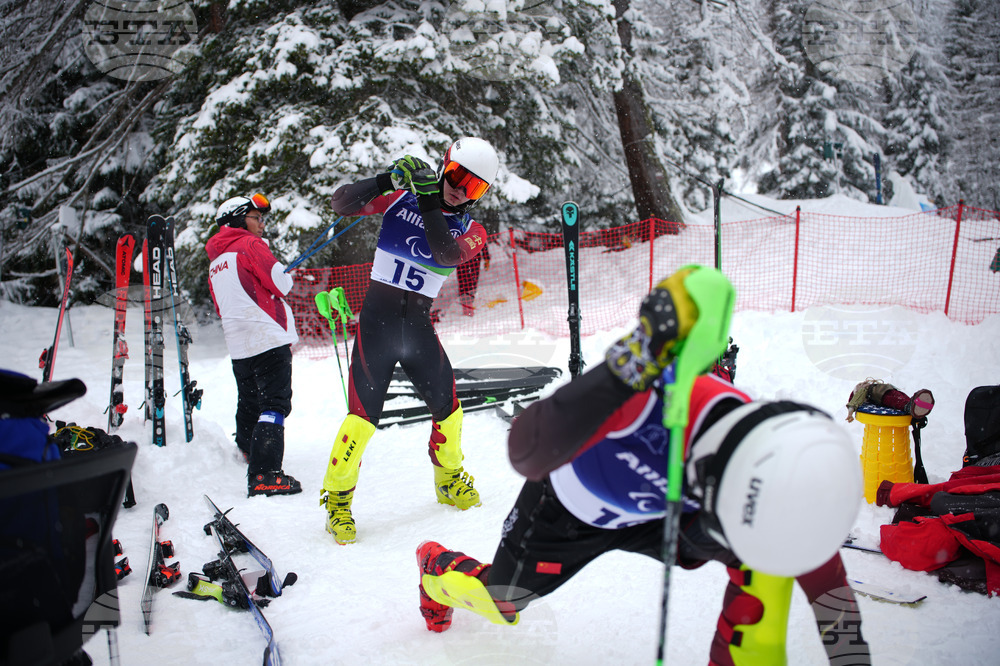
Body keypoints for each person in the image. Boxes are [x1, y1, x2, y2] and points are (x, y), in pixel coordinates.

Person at [415, 267, 873, 665]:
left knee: (770, 558)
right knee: (506, 599)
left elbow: (830, 592)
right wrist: (630, 362)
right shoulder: (656, 397)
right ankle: (437, 573)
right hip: (573, 508)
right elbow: (526, 449)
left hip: (665, 513)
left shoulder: (780, 482)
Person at [320, 137, 498, 545]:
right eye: (455, 176)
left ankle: (449, 479)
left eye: (472, 187)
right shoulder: (401, 199)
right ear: (443, 165)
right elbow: (341, 203)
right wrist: (387, 179)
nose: (459, 188)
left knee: (449, 411)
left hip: (417, 327)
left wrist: (431, 198)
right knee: (361, 420)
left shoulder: (473, 230)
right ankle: (338, 500)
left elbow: (445, 253)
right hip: (377, 325)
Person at [206, 194, 302, 497]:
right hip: (268, 338)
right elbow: (282, 284)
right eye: (256, 217)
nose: (262, 224)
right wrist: (284, 273)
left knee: (248, 400)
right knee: (274, 404)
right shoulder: (250, 245)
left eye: (262, 219)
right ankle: (265, 474)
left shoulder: (215, 262)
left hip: (239, 345)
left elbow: (220, 307)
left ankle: (248, 450)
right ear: (237, 219)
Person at [456, 242, 490, 316]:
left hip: (474, 259)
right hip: (462, 258)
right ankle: (465, 306)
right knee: (463, 282)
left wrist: (486, 257)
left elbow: (482, 240)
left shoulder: (476, 231)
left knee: (472, 283)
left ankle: (469, 304)